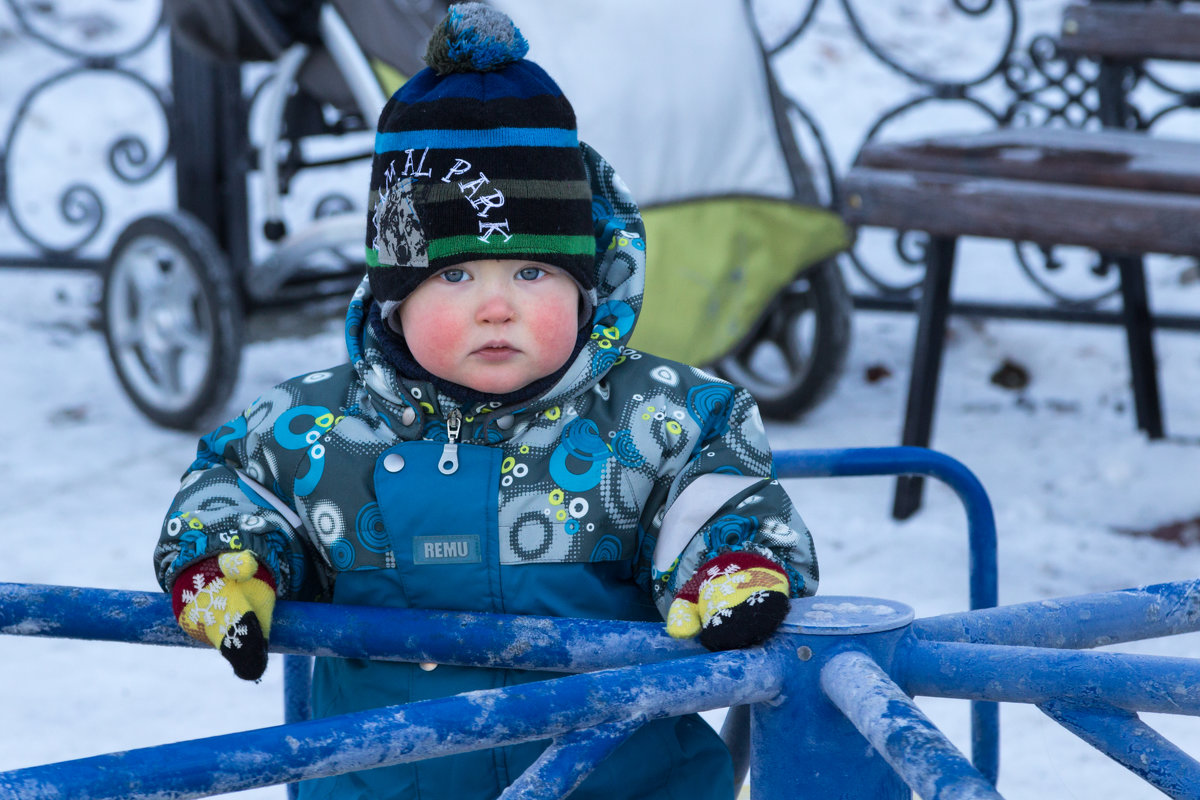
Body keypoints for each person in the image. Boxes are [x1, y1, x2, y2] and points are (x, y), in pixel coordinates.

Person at [153, 4, 818, 798]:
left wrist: (730, 565)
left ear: (587, 285)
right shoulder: (313, 429)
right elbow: (235, 487)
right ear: (394, 296)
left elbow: (719, 498)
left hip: (621, 785)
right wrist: (228, 563)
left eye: (533, 274)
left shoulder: (661, 418)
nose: (495, 307)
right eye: (456, 276)